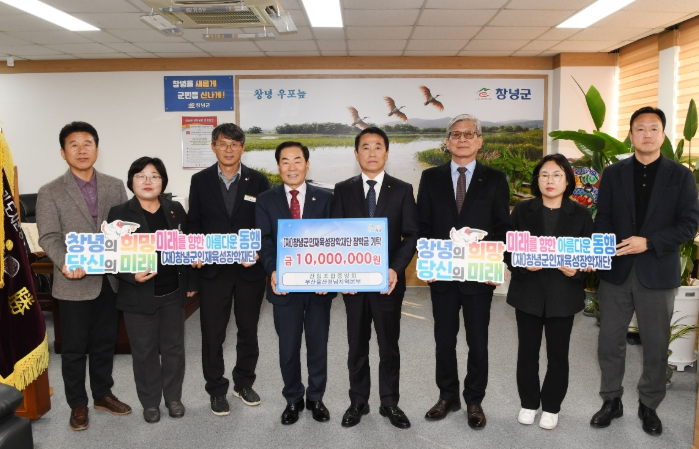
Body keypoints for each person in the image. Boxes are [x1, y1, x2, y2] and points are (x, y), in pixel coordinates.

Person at [590, 106, 699, 436]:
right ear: (631, 135)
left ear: (663, 135)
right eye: (640, 128)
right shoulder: (614, 173)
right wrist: (602, 250)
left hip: (658, 271)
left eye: (653, 128)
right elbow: (603, 218)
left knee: (655, 343)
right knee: (610, 341)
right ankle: (611, 400)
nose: (647, 134)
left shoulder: (680, 176)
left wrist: (649, 242)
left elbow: (689, 224)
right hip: (617, 270)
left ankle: (649, 404)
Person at [417, 114, 510, 429]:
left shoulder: (495, 179)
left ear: (479, 141)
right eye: (455, 134)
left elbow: (502, 227)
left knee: (478, 342)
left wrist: (496, 262)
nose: (462, 139)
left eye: (469, 134)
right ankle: (447, 396)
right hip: (442, 274)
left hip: (479, 277)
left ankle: (474, 400)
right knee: (444, 340)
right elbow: (422, 226)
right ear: (447, 142)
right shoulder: (430, 178)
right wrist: (426, 260)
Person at [36, 121, 132, 431]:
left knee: (105, 343)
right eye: (73, 145)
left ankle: (102, 394)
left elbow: (123, 230)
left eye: (87, 143)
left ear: (97, 149)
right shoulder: (50, 191)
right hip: (73, 281)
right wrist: (65, 262)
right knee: (74, 348)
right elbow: (49, 236)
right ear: (63, 152)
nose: (81, 150)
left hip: (108, 279)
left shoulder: (115, 185)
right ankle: (77, 403)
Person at [331, 127, 419, 429]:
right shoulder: (342, 189)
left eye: (378, 147)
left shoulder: (403, 189)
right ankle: (358, 401)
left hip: (388, 283)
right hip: (353, 284)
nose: (372, 153)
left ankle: (389, 402)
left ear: (387, 153)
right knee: (356, 343)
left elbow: (411, 235)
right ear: (356, 154)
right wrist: (342, 274)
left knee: (388, 344)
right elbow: (334, 235)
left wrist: (395, 268)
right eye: (365, 147)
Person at [187, 123, 271, 416]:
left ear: (242, 148)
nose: (229, 149)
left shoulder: (258, 181)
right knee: (213, 333)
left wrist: (259, 251)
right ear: (213, 147)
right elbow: (193, 223)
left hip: (249, 270)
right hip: (213, 271)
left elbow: (266, 224)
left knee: (248, 330)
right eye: (223, 144)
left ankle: (243, 383)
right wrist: (195, 249)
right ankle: (216, 389)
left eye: (234, 144)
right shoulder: (200, 180)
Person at [505, 154, 593, 430]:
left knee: (558, 355)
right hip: (528, 294)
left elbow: (590, 256)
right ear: (537, 180)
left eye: (557, 175)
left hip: (563, 295)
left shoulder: (580, 215)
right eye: (544, 175)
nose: (550, 180)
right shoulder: (522, 211)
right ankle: (528, 403)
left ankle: (552, 407)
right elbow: (508, 251)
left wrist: (577, 271)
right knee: (527, 353)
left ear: (567, 181)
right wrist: (522, 263)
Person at [107, 157, 198, 423]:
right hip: (137, 295)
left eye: (154, 176)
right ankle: (150, 402)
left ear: (163, 181)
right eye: (141, 176)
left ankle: (173, 398)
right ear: (131, 181)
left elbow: (187, 245)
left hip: (172, 293)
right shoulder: (119, 213)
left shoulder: (175, 209)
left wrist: (191, 282)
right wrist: (131, 275)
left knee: (174, 349)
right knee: (144, 352)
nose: (148, 181)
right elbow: (110, 256)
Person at [256, 141, 335, 425]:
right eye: (285, 161)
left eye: (297, 160)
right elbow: (265, 240)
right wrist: (272, 270)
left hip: (318, 287)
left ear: (307, 164)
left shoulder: (325, 198)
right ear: (279, 166)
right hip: (284, 286)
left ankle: (316, 397)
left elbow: (334, 238)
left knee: (318, 344)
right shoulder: (266, 199)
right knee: (288, 347)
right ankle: (293, 398)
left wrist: (329, 274)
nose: (292, 167)